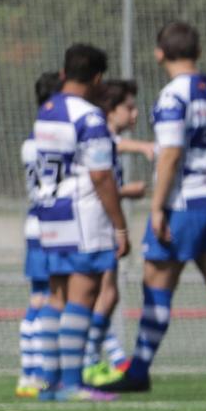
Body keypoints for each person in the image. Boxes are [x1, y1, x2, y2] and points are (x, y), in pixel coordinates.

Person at [97, 24, 206, 396]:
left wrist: (158, 207)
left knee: (157, 284)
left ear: (159, 53)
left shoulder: (172, 97)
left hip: (183, 204)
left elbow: (170, 154)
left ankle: (138, 371)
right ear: (199, 49)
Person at [32, 45, 130, 401]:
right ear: (98, 78)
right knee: (84, 294)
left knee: (55, 295)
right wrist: (120, 226)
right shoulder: (89, 118)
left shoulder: (47, 110)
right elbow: (102, 176)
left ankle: (48, 382)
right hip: (82, 214)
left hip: (50, 211)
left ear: (64, 73)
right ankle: (72, 383)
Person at [80, 79, 149, 382]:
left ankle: (109, 357)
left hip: (99, 223)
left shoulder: (106, 138)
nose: (135, 114)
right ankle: (89, 360)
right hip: (94, 224)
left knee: (104, 294)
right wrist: (125, 192)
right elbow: (95, 184)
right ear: (110, 110)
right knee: (104, 293)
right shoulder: (100, 137)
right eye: (129, 108)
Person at [16, 71, 63, 398]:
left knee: (40, 298)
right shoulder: (53, 138)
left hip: (36, 224)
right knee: (45, 299)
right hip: (53, 225)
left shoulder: (30, 141)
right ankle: (34, 373)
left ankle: (30, 372)